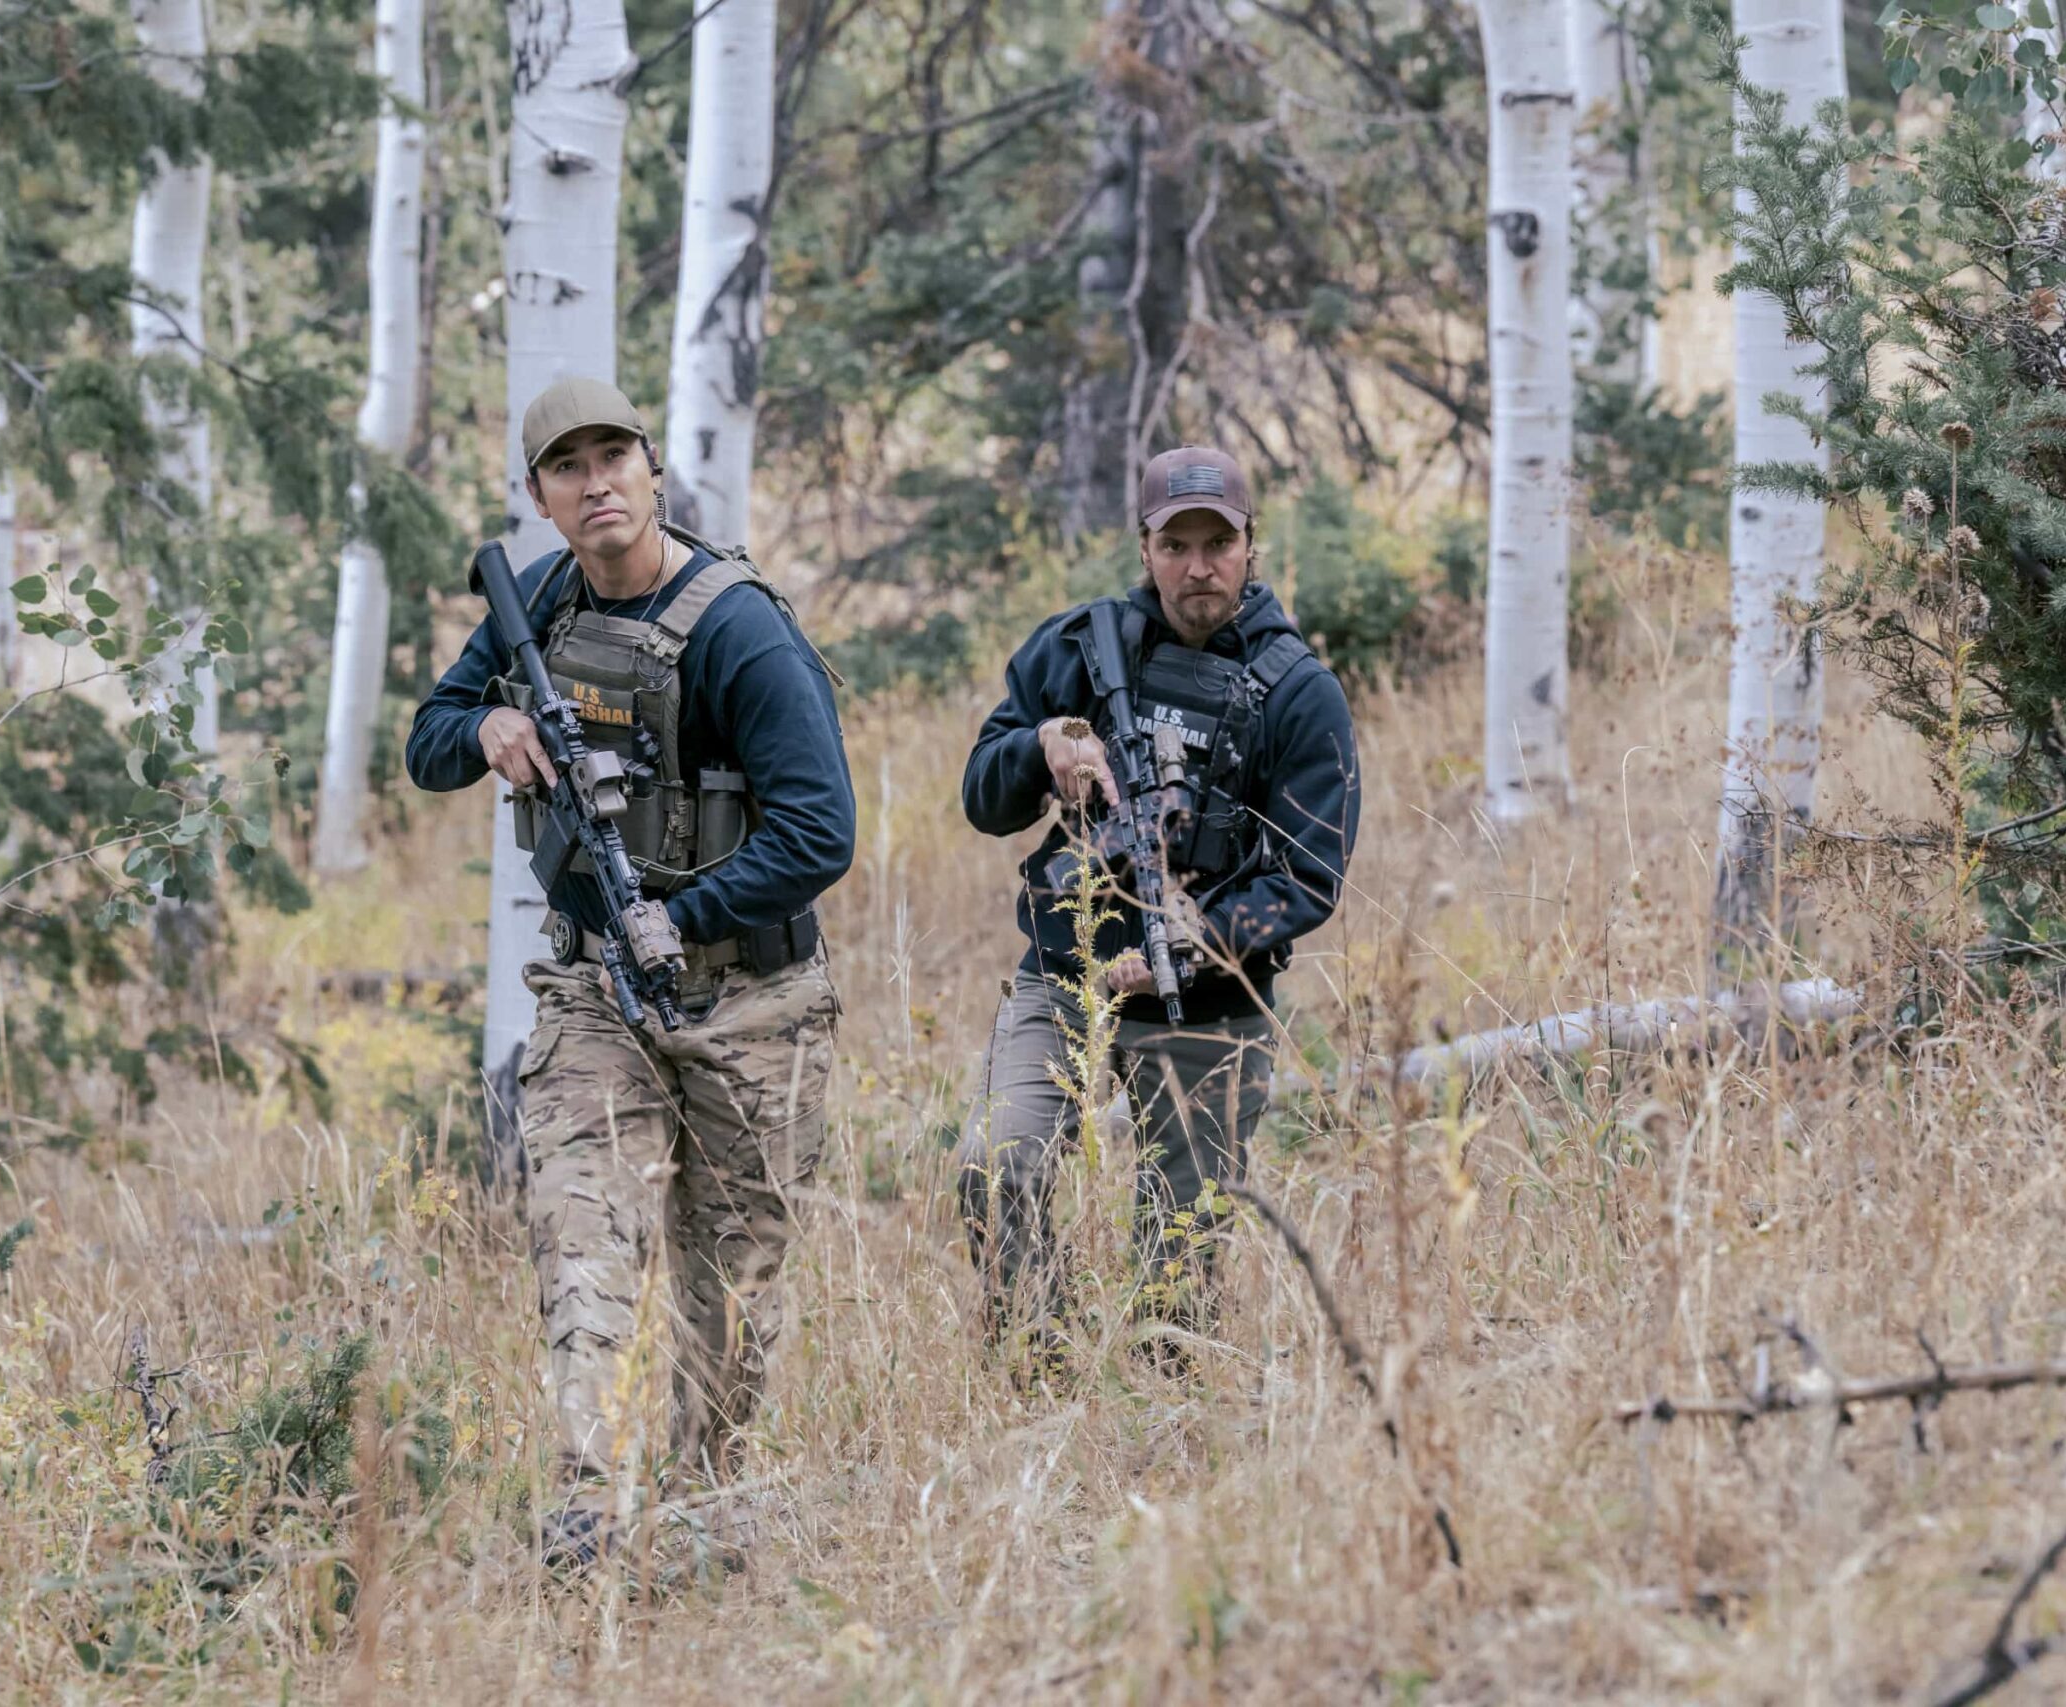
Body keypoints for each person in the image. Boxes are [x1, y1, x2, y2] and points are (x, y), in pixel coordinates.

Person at [405, 376, 854, 1564]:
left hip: (753, 1002)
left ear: (653, 471)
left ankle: (707, 1509)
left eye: (615, 456)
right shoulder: (537, 605)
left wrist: (686, 914)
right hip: (596, 992)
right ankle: (583, 1507)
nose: (595, 481)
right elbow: (427, 743)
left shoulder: (737, 628)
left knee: (736, 1278)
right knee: (581, 1232)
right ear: (542, 497)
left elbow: (822, 835)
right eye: (568, 466)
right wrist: (486, 729)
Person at [956, 444, 1359, 1371]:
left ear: (1251, 544)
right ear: (1145, 547)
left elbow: (1308, 878)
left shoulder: (1298, 691)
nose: (1199, 565)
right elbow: (982, 795)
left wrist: (1194, 941)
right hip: (1067, 973)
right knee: (993, 1164)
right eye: (1176, 543)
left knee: (1177, 1276)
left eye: (1218, 541)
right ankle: (1039, 1372)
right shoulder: (1077, 647)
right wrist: (1042, 747)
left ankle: (1161, 1426)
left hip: (1207, 1004)